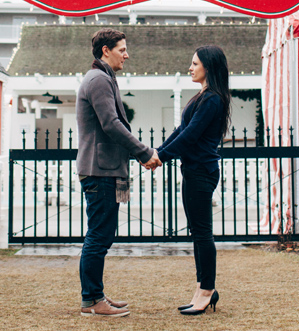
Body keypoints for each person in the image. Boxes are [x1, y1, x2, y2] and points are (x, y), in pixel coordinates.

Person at [76, 28, 161, 318]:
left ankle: (96, 294)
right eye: (122, 49)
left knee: (103, 235)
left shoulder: (103, 78)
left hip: (110, 171)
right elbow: (111, 124)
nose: (127, 54)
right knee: (99, 236)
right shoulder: (99, 79)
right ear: (105, 51)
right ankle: (92, 301)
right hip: (101, 172)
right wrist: (144, 152)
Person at [155, 45, 231, 316]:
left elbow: (191, 137)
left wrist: (160, 157)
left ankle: (207, 290)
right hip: (194, 170)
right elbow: (181, 130)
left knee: (202, 234)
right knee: (198, 233)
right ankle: (202, 288)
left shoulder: (212, 99)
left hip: (201, 171)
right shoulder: (203, 96)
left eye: (195, 63)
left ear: (208, 67)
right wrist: (157, 152)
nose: (190, 67)